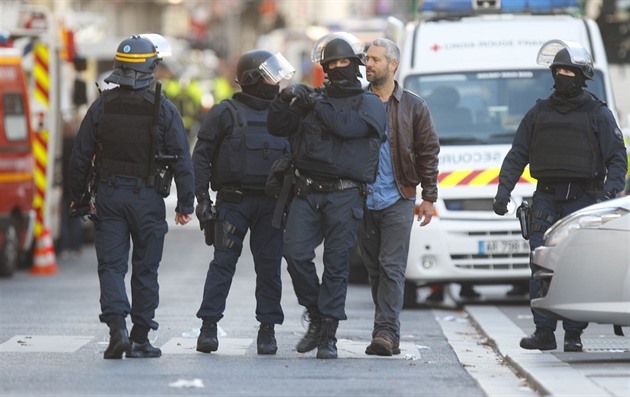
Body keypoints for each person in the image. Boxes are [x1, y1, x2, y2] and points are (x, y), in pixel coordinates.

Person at [493, 40, 627, 352]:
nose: (564, 76)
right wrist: (503, 191)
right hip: (546, 199)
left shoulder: (599, 114)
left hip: (583, 200)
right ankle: (543, 331)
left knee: (576, 266)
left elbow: (617, 158)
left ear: (582, 76)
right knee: (541, 264)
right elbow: (518, 155)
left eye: (570, 71)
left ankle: (573, 334)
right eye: (560, 71)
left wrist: (609, 193)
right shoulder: (538, 113)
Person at [68, 34, 195, 359]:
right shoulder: (162, 108)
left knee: (111, 266)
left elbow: (80, 157)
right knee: (145, 269)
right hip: (148, 199)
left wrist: (79, 199)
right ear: (151, 67)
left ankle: (117, 331)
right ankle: (140, 339)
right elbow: (182, 158)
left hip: (109, 196)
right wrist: (185, 204)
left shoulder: (102, 106)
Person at [267, 32, 387, 359]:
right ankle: (317, 315)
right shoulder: (313, 100)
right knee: (294, 253)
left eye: (344, 61)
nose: (337, 67)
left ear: (356, 64)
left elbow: (346, 127)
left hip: (345, 196)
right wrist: (285, 98)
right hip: (306, 192)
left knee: (336, 266)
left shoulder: (370, 103)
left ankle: (329, 335)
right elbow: (277, 127)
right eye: (331, 63)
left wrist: (316, 104)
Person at [192, 50, 293, 355]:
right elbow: (201, 158)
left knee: (269, 268)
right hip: (233, 203)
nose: (276, 81)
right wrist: (201, 200)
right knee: (222, 265)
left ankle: (267, 330)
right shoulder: (226, 112)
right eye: (269, 74)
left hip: (271, 205)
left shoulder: (285, 114)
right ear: (251, 79)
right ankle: (208, 327)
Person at [359, 38, 440, 355]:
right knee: (375, 269)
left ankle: (386, 333)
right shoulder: (357, 103)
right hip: (362, 199)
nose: (369, 64)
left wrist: (429, 197)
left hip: (399, 197)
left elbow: (428, 151)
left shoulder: (413, 106)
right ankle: (385, 327)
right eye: (367, 59)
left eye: (376, 59)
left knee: (391, 267)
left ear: (392, 65)